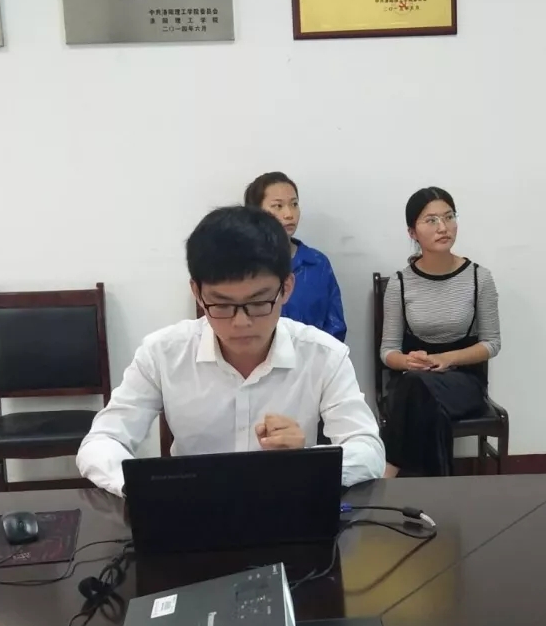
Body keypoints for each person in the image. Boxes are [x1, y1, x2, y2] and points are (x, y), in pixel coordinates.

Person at [77, 206, 385, 495]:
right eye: (222, 305)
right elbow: (103, 440)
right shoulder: (163, 353)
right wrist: (144, 490)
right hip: (192, 509)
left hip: (286, 504)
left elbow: (368, 449)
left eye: (258, 302)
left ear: (286, 288)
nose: (241, 322)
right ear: (197, 293)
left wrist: (306, 462)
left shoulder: (324, 355)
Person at [379, 187, 501, 478]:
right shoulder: (400, 283)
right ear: (412, 232)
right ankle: (440, 490)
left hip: (463, 382)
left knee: (415, 392)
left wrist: (446, 359)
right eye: (431, 220)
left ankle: (388, 472)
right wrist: (409, 361)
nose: (443, 227)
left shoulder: (479, 277)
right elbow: (388, 352)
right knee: (422, 396)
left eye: (449, 217)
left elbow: (492, 343)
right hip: (414, 379)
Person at [244, 172, 346, 342]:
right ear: (255, 212)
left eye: (294, 204)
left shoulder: (317, 263)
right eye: (278, 206)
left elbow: (335, 327)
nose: (289, 214)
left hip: (314, 356)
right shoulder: (241, 264)